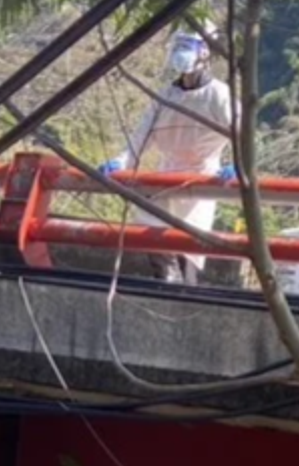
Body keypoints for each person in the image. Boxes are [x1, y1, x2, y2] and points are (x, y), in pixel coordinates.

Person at [98, 29, 237, 286]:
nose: (181, 53)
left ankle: (186, 293)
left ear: (204, 52)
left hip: (202, 175)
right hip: (167, 172)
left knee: (189, 243)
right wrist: (121, 160)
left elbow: (240, 131)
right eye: (178, 46)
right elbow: (141, 136)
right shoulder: (166, 96)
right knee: (154, 230)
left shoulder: (219, 94)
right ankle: (164, 283)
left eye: (188, 46)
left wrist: (238, 165)